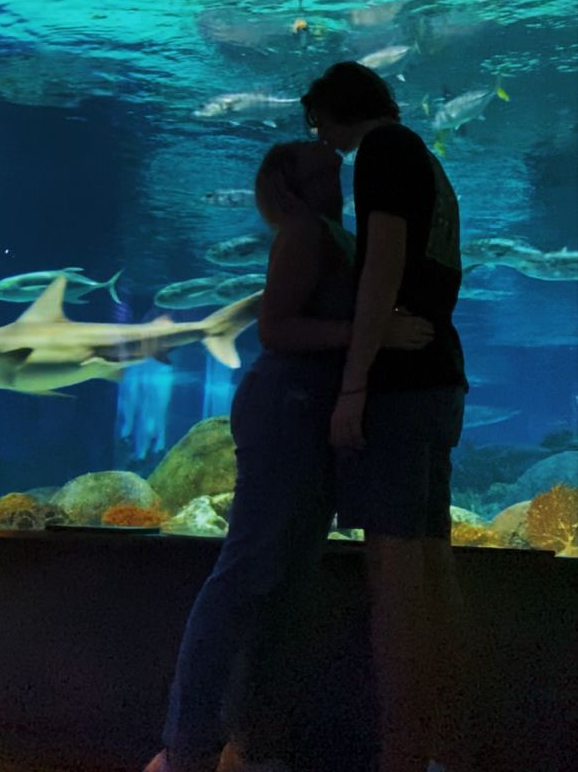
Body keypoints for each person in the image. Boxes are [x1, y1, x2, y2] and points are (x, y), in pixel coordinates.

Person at [144, 139, 433, 772]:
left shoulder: (333, 230)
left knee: (284, 580)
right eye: (318, 163)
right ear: (292, 183)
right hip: (285, 407)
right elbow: (276, 328)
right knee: (246, 572)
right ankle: (183, 746)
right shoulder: (305, 232)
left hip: (306, 410)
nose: (334, 162)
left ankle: (247, 743)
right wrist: (372, 332)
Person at [300, 62, 469, 772]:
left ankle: (400, 756)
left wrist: (354, 384)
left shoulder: (382, 152)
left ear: (341, 115)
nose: (326, 148)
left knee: (395, 583)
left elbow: (383, 266)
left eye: (322, 130)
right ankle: (447, 747)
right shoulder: (425, 157)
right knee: (432, 572)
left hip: (400, 390)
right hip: (440, 381)